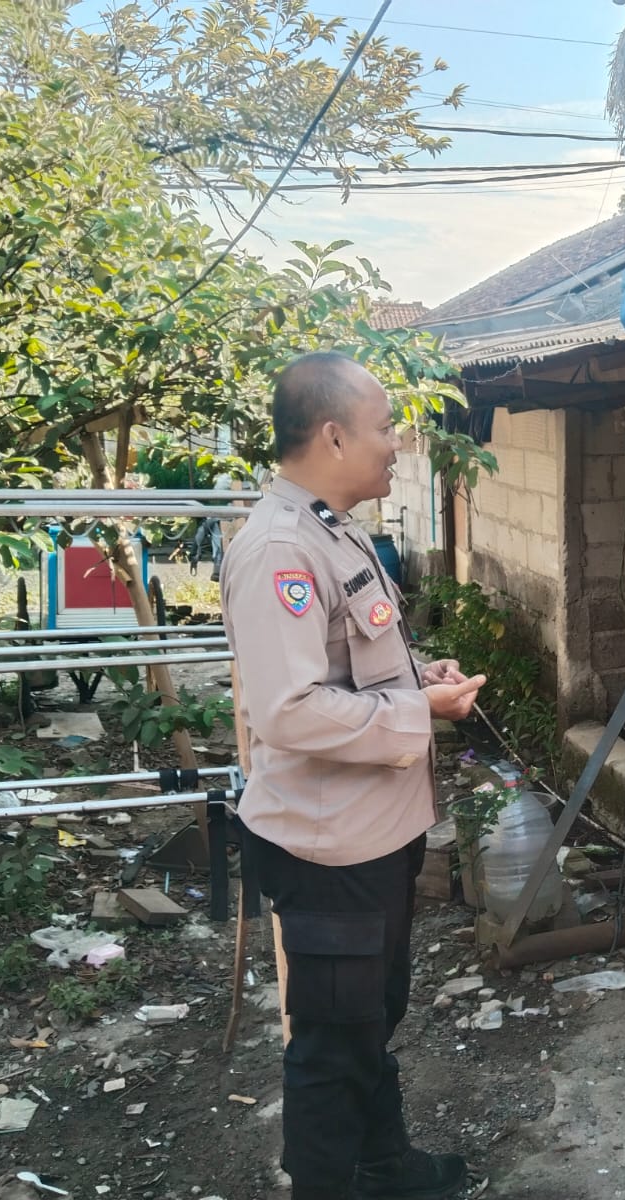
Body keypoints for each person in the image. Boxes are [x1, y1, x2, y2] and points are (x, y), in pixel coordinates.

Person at [220, 351, 485, 1200]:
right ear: (332, 436)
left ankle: (384, 1167)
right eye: (382, 430)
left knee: (372, 1017)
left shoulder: (338, 531)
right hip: (328, 850)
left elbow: (350, 667)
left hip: (378, 835)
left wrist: (419, 680)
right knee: (333, 1044)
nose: (397, 446)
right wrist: (420, 716)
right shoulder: (277, 550)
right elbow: (288, 710)